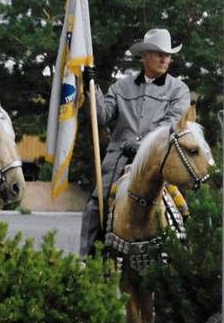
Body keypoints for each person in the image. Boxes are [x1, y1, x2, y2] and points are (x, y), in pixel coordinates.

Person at [79, 27, 191, 255]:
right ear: (144, 56)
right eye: (159, 53)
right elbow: (101, 116)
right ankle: (86, 262)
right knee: (94, 209)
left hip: (156, 162)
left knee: (183, 210)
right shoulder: (121, 87)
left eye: (167, 54)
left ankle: (185, 260)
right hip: (118, 162)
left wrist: (143, 147)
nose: (164, 58)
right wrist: (92, 88)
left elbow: (171, 124)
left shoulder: (179, 90)